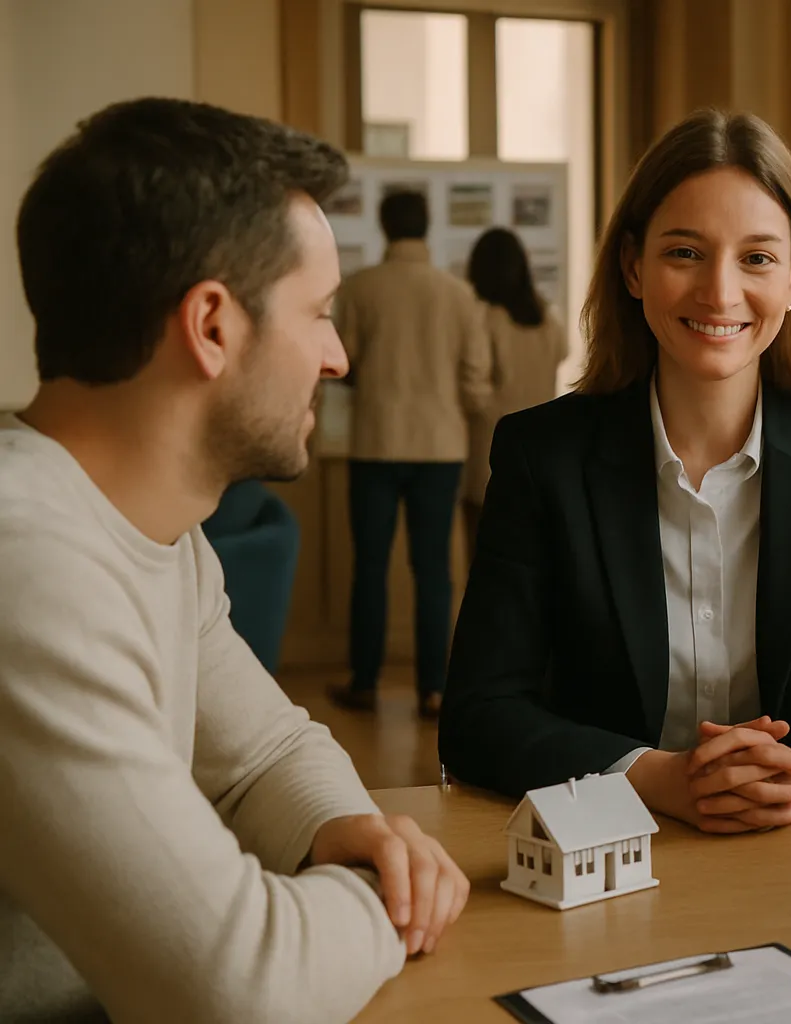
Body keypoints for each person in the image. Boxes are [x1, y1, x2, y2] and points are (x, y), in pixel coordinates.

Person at [0, 98, 470, 1023]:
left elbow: (263, 754)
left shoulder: (164, 530)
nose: (336, 357)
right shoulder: (27, 563)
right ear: (212, 325)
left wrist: (360, 836)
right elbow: (237, 986)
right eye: (320, 313)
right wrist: (385, 902)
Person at [439, 108, 791, 832]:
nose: (720, 294)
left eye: (756, 258)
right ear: (633, 266)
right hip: (607, 851)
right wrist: (650, 776)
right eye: (685, 253)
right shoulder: (544, 455)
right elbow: (478, 717)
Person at [328, 190, 494, 721]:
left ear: (383, 225)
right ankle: (434, 688)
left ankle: (365, 681)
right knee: (434, 571)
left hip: (376, 441)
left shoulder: (360, 288)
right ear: (427, 225)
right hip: (441, 445)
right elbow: (476, 383)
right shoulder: (458, 293)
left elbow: (343, 363)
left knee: (370, 567)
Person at [462, 226, 570, 554]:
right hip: (544, 453)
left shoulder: (483, 317)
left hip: (488, 452)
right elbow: (561, 356)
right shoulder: (548, 318)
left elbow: (474, 385)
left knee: (485, 561)